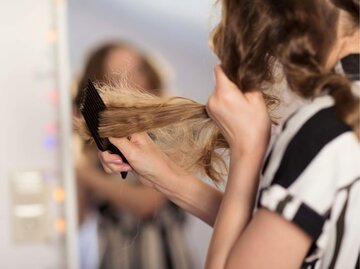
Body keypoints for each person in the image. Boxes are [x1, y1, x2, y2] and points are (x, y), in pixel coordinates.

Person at [97, 0, 360, 268]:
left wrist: (247, 149)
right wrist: (164, 174)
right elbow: (269, 237)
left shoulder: (324, 126)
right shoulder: (342, 113)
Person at [74, 42, 192, 269]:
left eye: (138, 70)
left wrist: (84, 174)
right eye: (118, 75)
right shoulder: (93, 152)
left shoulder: (173, 131)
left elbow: (146, 204)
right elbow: (76, 219)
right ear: (100, 86)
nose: (134, 82)